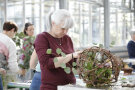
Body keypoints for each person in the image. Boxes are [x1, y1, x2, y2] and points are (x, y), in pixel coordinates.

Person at [34, 9, 81, 90]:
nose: (65, 32)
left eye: (68, 29)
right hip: (51, 87)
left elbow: (73, 63)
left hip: (70, 87)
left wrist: (80, 58)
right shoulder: (42, 38)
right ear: (53, 23)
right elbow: (47, 63)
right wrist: (71, 55)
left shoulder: (67, 39)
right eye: (63, 28)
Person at [0, 21, 22, 89]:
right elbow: (12, 64)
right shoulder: (10, 43)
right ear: (12, 30)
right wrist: (19, 72)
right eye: (15, 33)